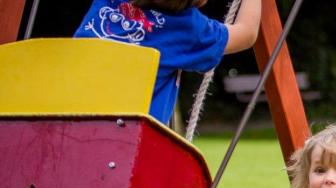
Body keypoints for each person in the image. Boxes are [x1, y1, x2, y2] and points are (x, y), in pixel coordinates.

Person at [74, 0, 261, 124]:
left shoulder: (105, 3)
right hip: (136, 151)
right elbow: (246, 33)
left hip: (67, 135)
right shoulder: (187, 29)